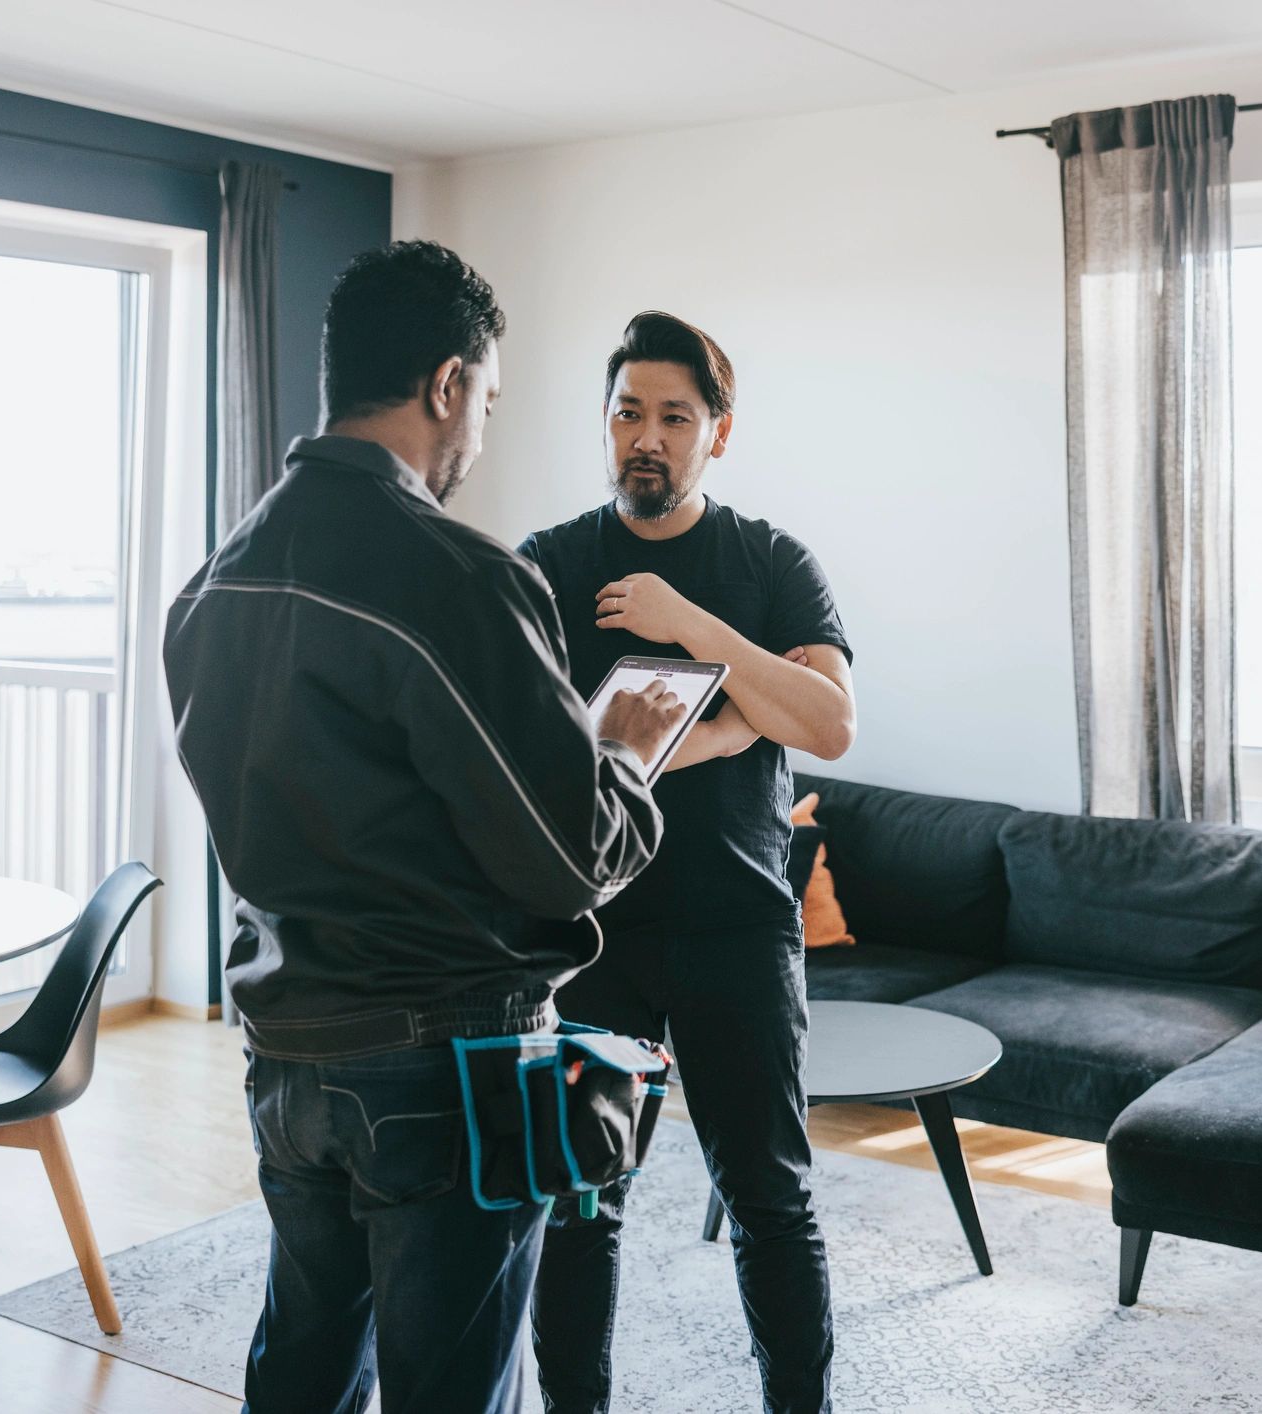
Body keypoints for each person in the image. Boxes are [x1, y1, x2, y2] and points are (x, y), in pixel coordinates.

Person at [163, 242, 688, 1414]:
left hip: (286, 1051)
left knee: (301, 1375)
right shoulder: (456, 574)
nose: (480, 436)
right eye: (488, 403)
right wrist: (628, 758)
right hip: (441, 1060)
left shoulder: (212, 585)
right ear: (448, 383)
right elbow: (570, 860)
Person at [519, 311, 856, 1414]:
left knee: (768, 1199)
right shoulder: (550, 563)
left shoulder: (767, 562)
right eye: (626, 413)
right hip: (589, 939)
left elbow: (828, 722)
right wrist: (724, 723)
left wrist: (690, 627)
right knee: (579, 1204)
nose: (644, 437)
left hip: (736, 930)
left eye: (672, 415)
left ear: (718, 432)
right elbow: (504, 733)